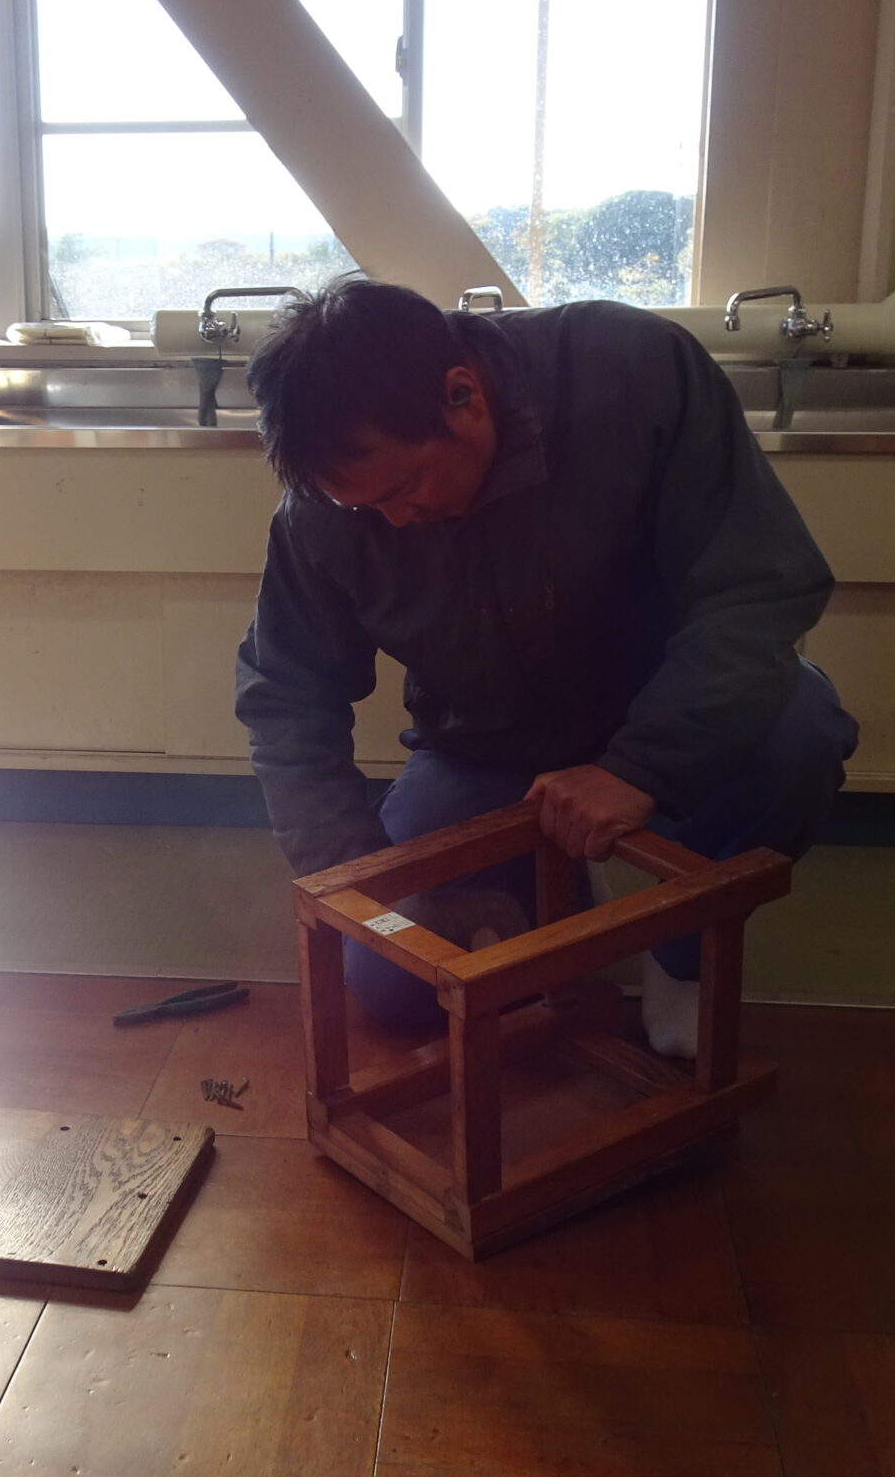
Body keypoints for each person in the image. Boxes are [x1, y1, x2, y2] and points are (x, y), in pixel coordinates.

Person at [234, 276, 857, 1055]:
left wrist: (640, 769)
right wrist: (361, 883)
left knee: (800, 732)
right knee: (394, 977)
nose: (394, 520)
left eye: (406, 488)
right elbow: (287, 699)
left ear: (462, 395)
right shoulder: (326, 513)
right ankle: (563, 911)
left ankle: (683, 957)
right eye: (366, 508)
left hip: (664, 709)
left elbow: (759, 589)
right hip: (485, 746)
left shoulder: (633, 370)